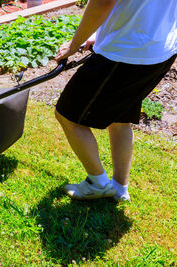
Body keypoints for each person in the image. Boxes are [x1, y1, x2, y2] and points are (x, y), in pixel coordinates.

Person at [54, 0, 177, 201]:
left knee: (67, 115)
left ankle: (98, 183)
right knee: (120, 120)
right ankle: (120, 188)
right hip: (159, 49)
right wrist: (105, 32)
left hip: (125, 53)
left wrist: (74, 44)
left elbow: (103, 3)